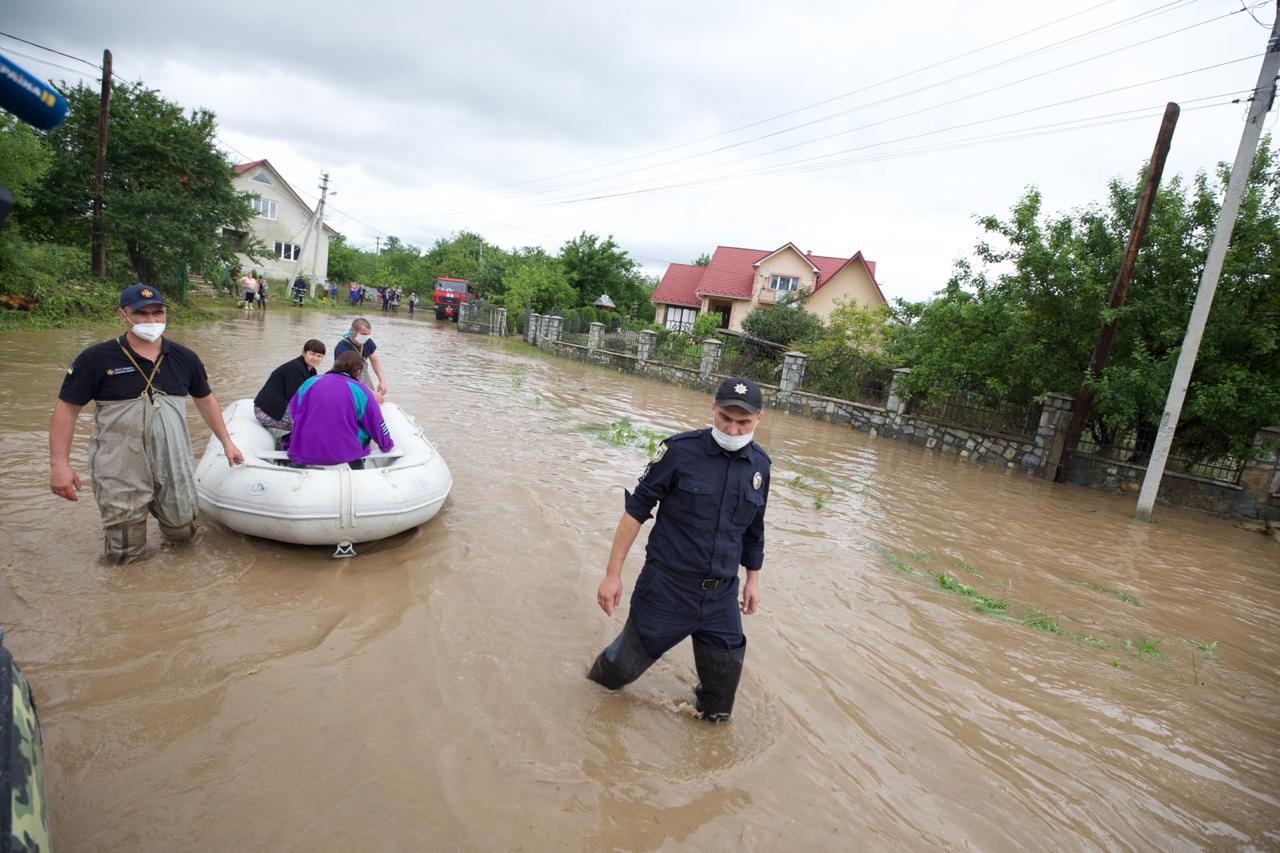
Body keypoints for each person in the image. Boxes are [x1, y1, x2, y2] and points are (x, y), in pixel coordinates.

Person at [588, 377, 771, 723]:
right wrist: (612, 575)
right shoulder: (679, 452)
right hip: (666, 590)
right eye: (725, 418)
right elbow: (635, 511)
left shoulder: (760, 466)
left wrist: (753, 580)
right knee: (613, 676)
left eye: (743, 422)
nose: (733, 429)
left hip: (721, 598)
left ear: (759, 419)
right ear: (713, 409)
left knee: (719, 707)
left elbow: (754, 527)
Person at [49, 284, 246, 563]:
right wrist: (60, 465)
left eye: (158, 312)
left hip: (172, 460)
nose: (151, 321)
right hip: (119, 464)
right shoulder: (95, 359)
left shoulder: (185, 358)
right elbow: (66, 410)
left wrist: (227, 442)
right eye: (140, 314)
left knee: (183, 533)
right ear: (123, 315)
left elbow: (206, 400)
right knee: (126, 552)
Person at [286, 351, 393, 468]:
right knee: (359, 429)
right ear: (358, 372)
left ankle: (299, 467)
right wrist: (386, 445)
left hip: (306, 447)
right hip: (343, 451)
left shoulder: (310, 382)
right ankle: (358, 471)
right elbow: (376, 422)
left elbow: (294, 411)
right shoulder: (361, 390)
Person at [252, 339, 326, 431]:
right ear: (304, 353)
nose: (315, 358)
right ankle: (290, 443)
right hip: (264, 412)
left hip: (280, 407)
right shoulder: (295, 369)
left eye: (319, 356)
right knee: (311, 423)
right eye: (312, 354)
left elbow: (312, 394)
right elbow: (295, 398)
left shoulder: (312, 371)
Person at [334, 318, 387, 402]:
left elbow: (375, 360)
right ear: (353, 331)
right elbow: (346, 376)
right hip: (347, 383)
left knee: (374, 401)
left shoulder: (367, 341)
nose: (366, 337)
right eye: (363, 334)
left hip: (363, 378)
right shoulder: (342, 348)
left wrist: (382, 381)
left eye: (368, 334)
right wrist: (369, 391)